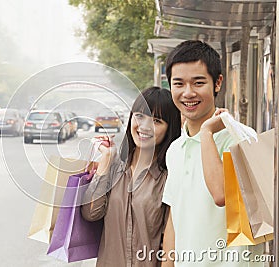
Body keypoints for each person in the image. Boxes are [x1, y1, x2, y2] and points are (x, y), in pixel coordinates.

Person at [161, 40, 263, 266]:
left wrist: (206, 134)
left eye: (198, 83)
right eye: (179, 84)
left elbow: (221, 195)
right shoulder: (175, 149)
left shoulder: (241, 138)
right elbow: (174, 219)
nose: (188, 93)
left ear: (217, 83)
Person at [81, 86, 181, 267]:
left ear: (169, 129)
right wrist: (107, 159)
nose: (144, 126)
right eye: (140, 116)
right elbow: (90, 213)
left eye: (157, 121)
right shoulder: (114, 170)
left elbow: (172, 242)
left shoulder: (169, 178)